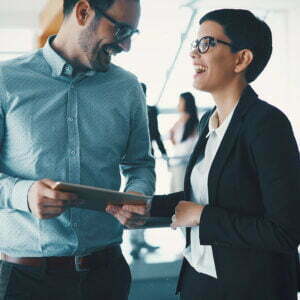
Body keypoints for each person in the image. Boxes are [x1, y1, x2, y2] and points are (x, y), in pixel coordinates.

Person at [107, 8, 300, 300]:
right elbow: (198, 198)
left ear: (242, 59)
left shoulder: (267, 124)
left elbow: (285, 231)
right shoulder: (208, 121)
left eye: (206, 43)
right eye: (194, 44)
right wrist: (143, 206)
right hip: (200, 279)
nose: (194, 53)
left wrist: (202, 217)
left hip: (249, 288)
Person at [0, 0, 155, 299]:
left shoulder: (127, 87)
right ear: (83, 12)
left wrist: (138, 193)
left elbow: (140, 165)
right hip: (25, 281)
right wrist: (25, 195)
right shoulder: (6, 81)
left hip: (106, 275)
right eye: (121, 29)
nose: (125, 46)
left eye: (132, 34)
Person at [129, 83, 161, 259]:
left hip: (147, 161)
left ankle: (140, 240)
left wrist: (163, 154)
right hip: (129, 163)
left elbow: (154, 134)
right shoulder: (128, 110)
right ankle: (135, 241)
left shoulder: (150, 110)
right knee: (131, 201)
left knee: (142, 200)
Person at [168, 92, 199, 192]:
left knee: (179, 192)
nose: (178, 104)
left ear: (187, 103)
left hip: (183, 164)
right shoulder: (181, 120)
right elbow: (174, 140)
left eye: (180, 101)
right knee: (174, 192)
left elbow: (190, 145)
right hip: (176, 163)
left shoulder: (192, 122)